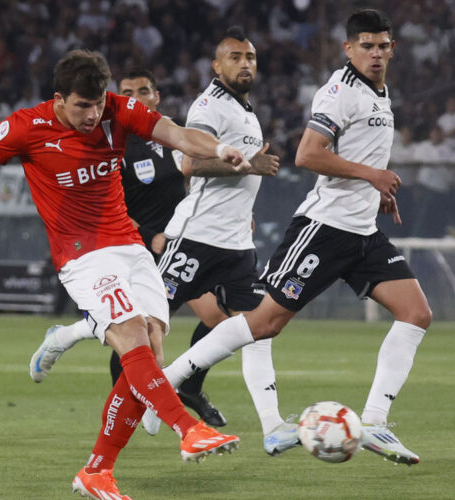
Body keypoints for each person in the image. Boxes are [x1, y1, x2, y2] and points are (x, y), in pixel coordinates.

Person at [0, 49, 242, 499]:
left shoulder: (117, 110)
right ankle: (187, 428)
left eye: (98, 103)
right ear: (59, 99)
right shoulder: (29, 126)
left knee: (150, 352)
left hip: (129, 247)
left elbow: (175, 134)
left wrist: (218, 148)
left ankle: (97, 471)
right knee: (132, 337)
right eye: (82, 105)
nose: (93, 114)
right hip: (81, 255)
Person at [155, 9, 432, 466]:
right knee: (264, 323)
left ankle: (376, 423)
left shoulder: (380, 94)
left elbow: (359, 159)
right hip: (323, 231)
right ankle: (171, 377)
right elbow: (307, 154)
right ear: (349, 48)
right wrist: (372, 175)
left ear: (392, 48)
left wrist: (375, 188)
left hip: (363, 232)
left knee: (416, 312)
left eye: (383, 45)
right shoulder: (340, 92)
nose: (376, 53)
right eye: (367, 45)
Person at [28, 67, 229, 427]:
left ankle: (179, 387)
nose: (135, 97)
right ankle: (147, 401)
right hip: (128, 245)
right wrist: (150, 232)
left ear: (156, 98)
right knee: (134, 331)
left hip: (176, 245)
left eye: (143, 91)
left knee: (213, 320)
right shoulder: (111, 140)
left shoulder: (164, 139)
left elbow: (192, 173)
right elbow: (102, 203)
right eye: (127, 91)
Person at [141, 27, 293, 449]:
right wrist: (250, 165)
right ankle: (72, 341)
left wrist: (246, 207)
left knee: (258, 329)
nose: (245, 63)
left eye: (251, 57)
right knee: (149, 322)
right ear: (217, 65)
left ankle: (273, 426)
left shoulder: (246, 110)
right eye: (235, 57)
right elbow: (191, 164)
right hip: (197, 238)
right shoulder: (210, 105)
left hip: (236, 245)